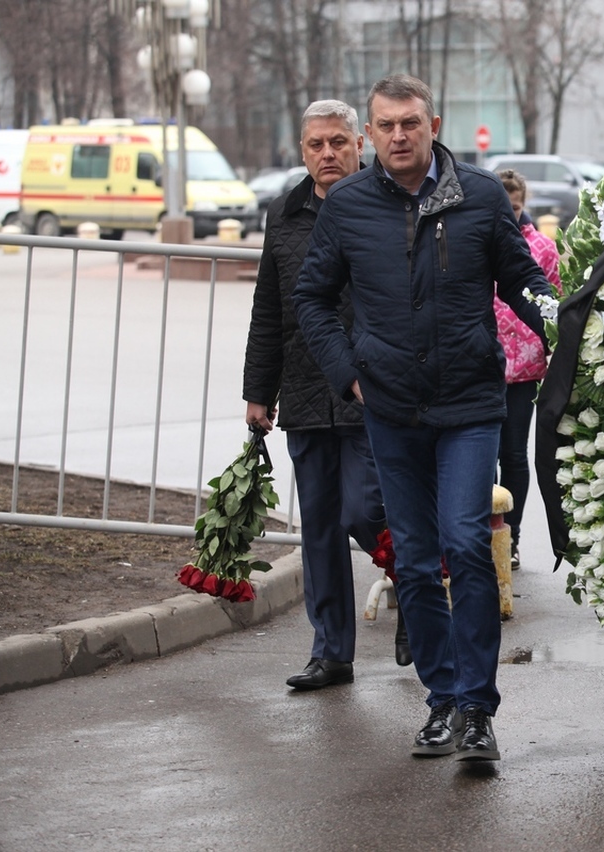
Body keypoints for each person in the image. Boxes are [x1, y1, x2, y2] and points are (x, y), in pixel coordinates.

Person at [293, 74, 551, 763]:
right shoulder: (347, 205)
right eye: (387, 126)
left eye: (411, 123)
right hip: (389, 407)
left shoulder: (481, 196)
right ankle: (441, 700)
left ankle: (477, 706)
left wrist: (564, 326)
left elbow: (524, 279)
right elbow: (312, 298)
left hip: (469, 401)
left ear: (433, 123)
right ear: (369, 134)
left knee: (466, 543)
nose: (400, 136)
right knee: (413, 558)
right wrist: (349, 372)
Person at [242, 99, 390, 690]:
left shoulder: (386, 201)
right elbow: (269, 307)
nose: (327, 154)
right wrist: (259, 389)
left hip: (372, 392)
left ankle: (415, 588)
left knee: (367, 510)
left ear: (360, 144)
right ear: (302, 152)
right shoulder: (286, 212)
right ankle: (332, 652)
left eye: (338, 142)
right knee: (321, 527)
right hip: (305, 393)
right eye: (315, 145)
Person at [493, 168, 561, 569]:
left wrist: (552, 347)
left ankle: (512, 536)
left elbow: (554, 301)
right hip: (483, 364)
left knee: (513, 454)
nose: (511, 215)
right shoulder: (480, 236)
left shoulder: (543, 249)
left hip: (524, 370)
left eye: (515, 208)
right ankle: (487, 529)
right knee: (484, 459)